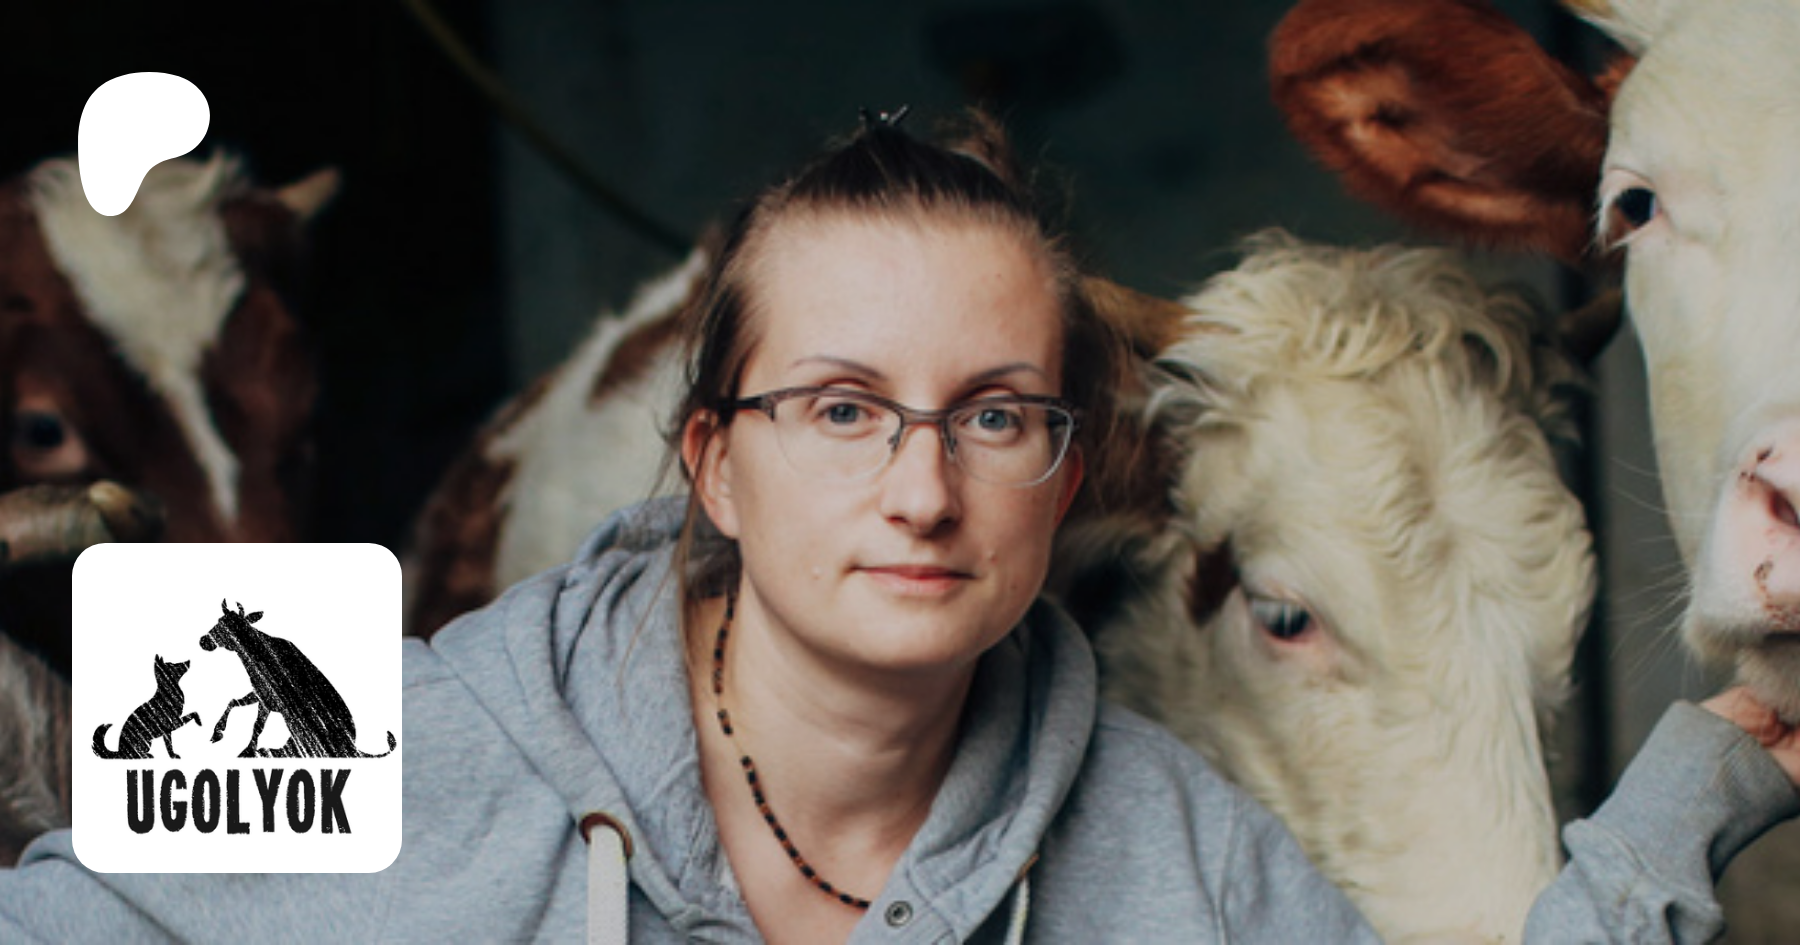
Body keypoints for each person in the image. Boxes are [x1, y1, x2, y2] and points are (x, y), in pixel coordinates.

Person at [1, 109, 1796, 944]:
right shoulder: (393, 728)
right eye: (844, 409)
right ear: (712, 463)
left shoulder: (1175, 859)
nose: (923, 489)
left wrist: (1674, 819)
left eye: (995, 414)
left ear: (1070, 477)